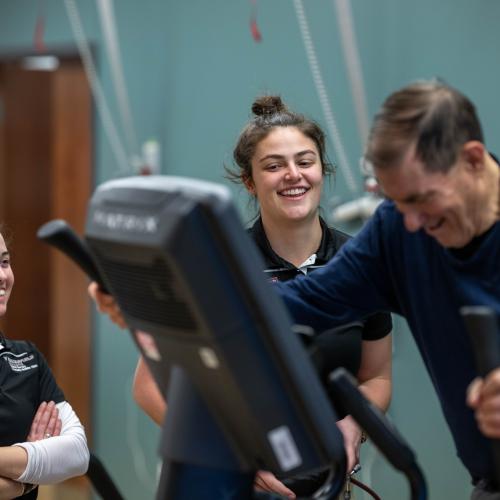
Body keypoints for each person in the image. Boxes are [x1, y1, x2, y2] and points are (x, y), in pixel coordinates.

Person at [89, 95, 393, 498]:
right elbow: (147, 388)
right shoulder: (218, 265)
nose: (293, 174)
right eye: (274, 165)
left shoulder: (360, 263)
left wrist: (354, 426)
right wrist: (232, 456)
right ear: (249, 181)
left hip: (325, 483)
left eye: (305, 161)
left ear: (323, 169)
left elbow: (376, 377)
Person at [271, 80, 500, 500]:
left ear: (471, 160)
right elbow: (302, 302)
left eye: (421, 199)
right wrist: (163, 292)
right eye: (398, 202)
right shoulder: (400, 230)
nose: (411, 222)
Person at [0, 227, 89, 499]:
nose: (3, 277)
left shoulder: (27, 358)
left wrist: (20, 478)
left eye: (4, 262)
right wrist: (32, 469)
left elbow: (77, 453)